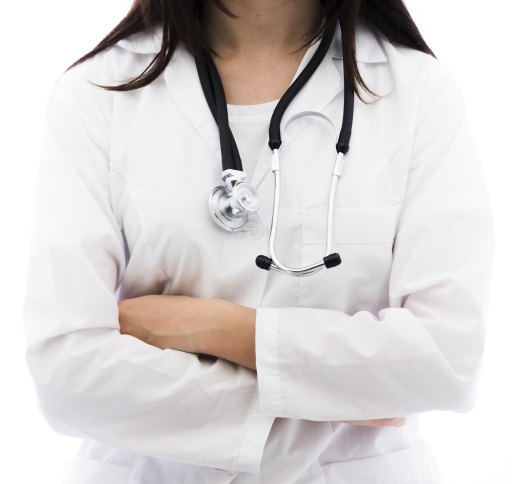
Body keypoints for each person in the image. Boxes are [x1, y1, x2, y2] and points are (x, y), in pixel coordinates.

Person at [22, 1, 495, 483]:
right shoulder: (98, 94)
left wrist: (220, 328)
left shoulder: (416, 92)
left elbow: (446, 358)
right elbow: (67, 373)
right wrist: (350, 393)